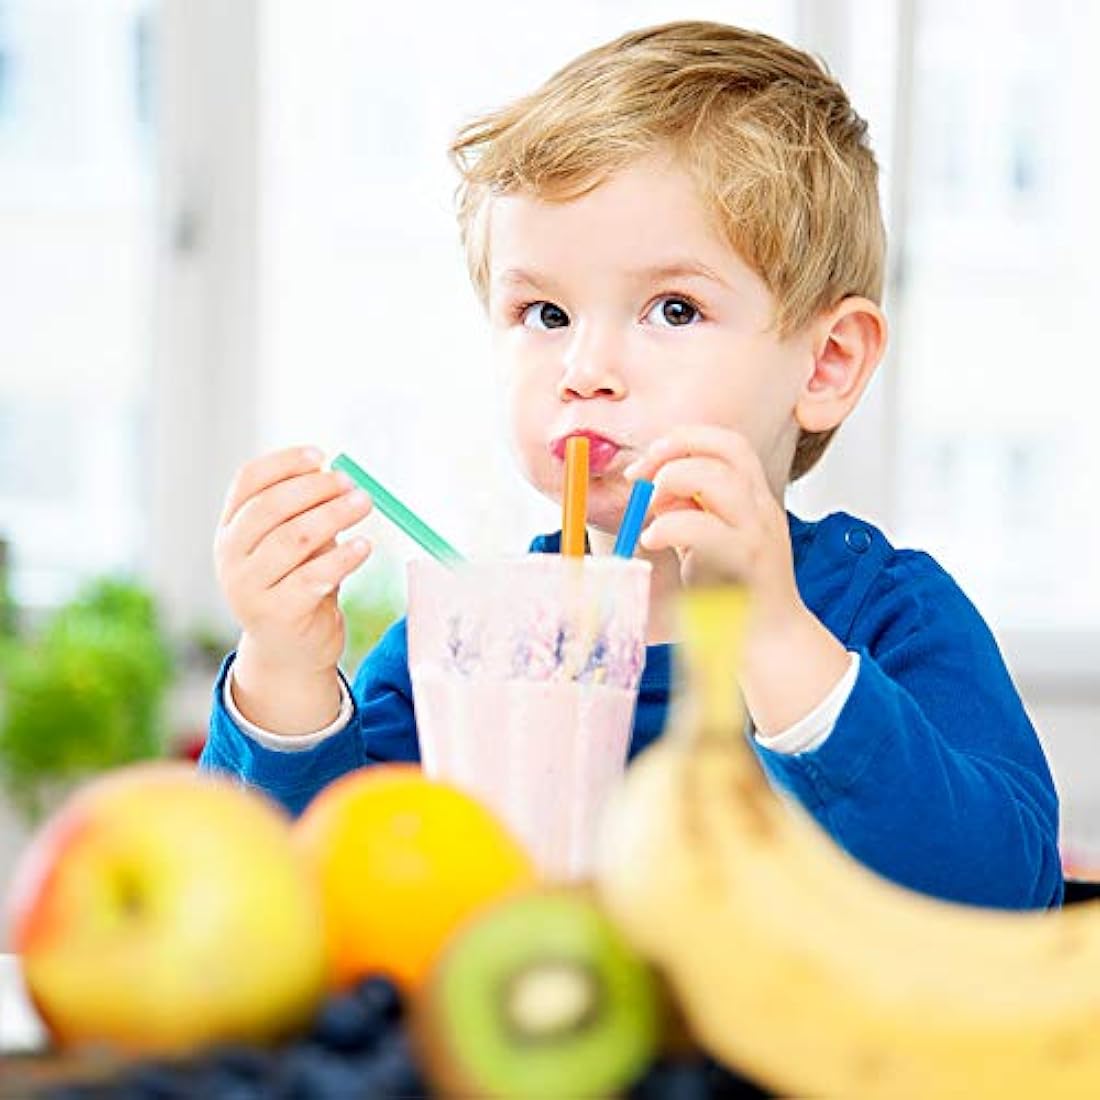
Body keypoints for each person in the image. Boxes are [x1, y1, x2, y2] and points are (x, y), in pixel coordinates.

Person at [200, 20, 1062, 909]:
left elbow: (1000, 894)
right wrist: (285, 674)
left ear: (827, 363)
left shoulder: (888, 618)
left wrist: (772, 635)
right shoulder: (459, 645)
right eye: (544, 314)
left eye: (675, 310)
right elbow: (292, 909)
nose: (584, 372)